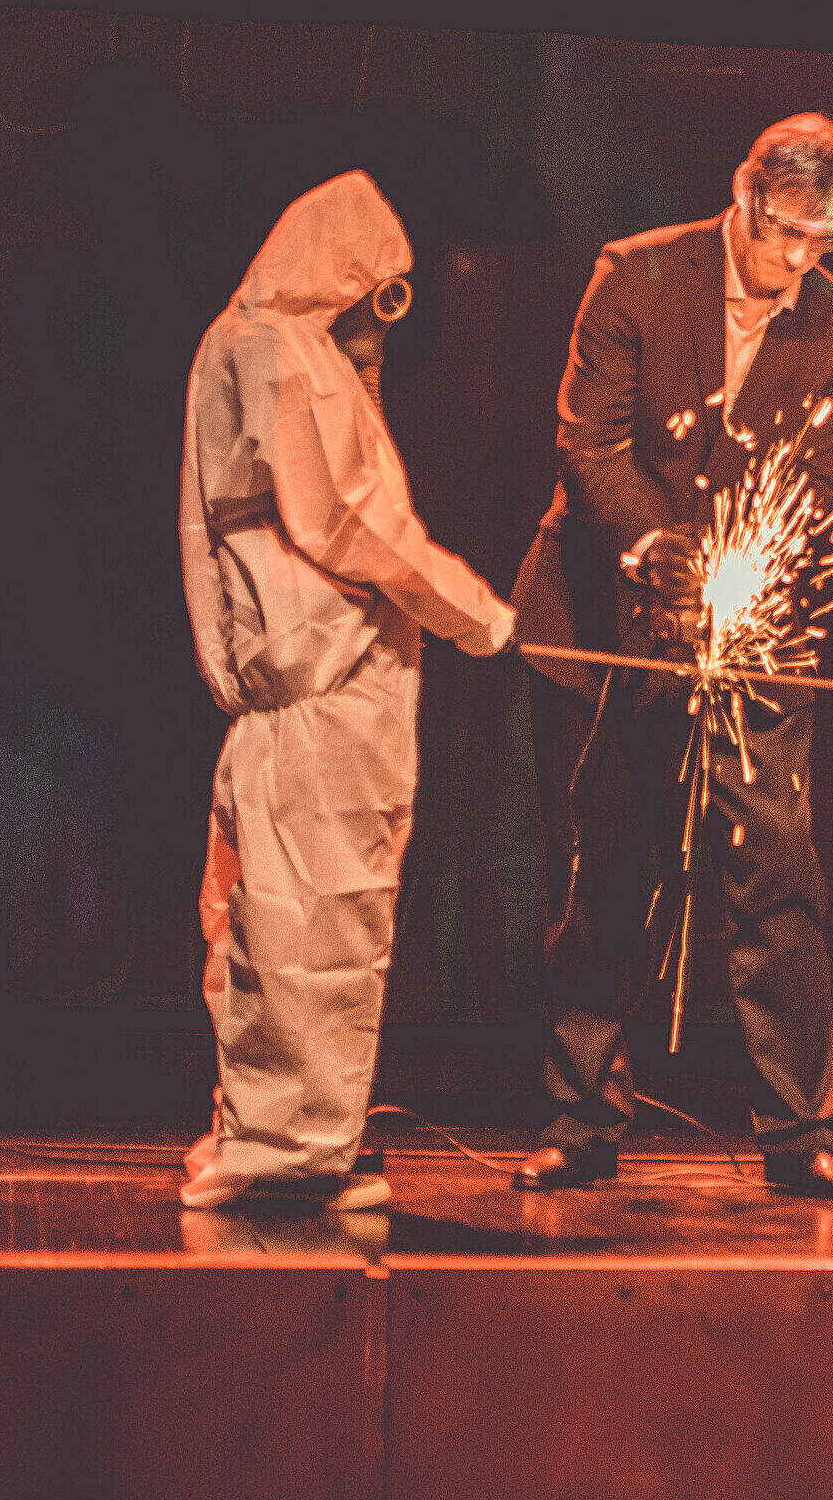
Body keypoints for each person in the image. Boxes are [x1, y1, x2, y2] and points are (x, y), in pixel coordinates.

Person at [510, 115, 833, 1199]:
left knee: (778, 872)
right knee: (601, 874)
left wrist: (745, 582)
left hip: (751, 630)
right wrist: (652, 548)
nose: (795, 259)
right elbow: (589, 447)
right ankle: (582, 1116)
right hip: (599, 620)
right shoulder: (637, 276)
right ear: (744, 195)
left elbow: (813, 488)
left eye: (821, 240)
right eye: (783, 231)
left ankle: (803, 1130)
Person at [176, 171, 517, 1210]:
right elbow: (346, 519)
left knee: (271, 920)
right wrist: (474, 610)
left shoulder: (248, 342)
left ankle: (269, 1130)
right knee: (315, 925)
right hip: (325, 680)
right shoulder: (284, 352)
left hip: (296, 686)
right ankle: (293, 1152)